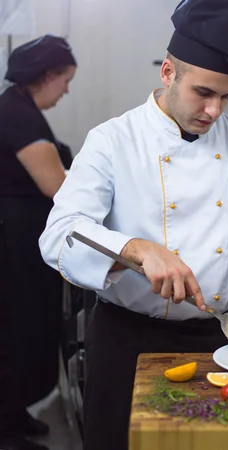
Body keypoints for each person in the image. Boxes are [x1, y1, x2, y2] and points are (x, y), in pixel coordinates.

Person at [38, 1, 228, 449]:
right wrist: (138, 250)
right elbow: (60, 232)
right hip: (126, 339)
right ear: (168, 72)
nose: (214, 111)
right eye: (204, 92)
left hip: (216, 339)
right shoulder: (113, 140)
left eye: (226, 97)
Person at [0, 34, 77, 450]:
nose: (66, 90)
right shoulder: (18, 115)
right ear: (47, 75)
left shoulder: (20, 107)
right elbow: (56, 186)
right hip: (12, 245)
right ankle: (5, 430)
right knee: (16, 330)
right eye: (65, 80)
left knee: (25, 328)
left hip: (22, 239)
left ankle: (13, 414)